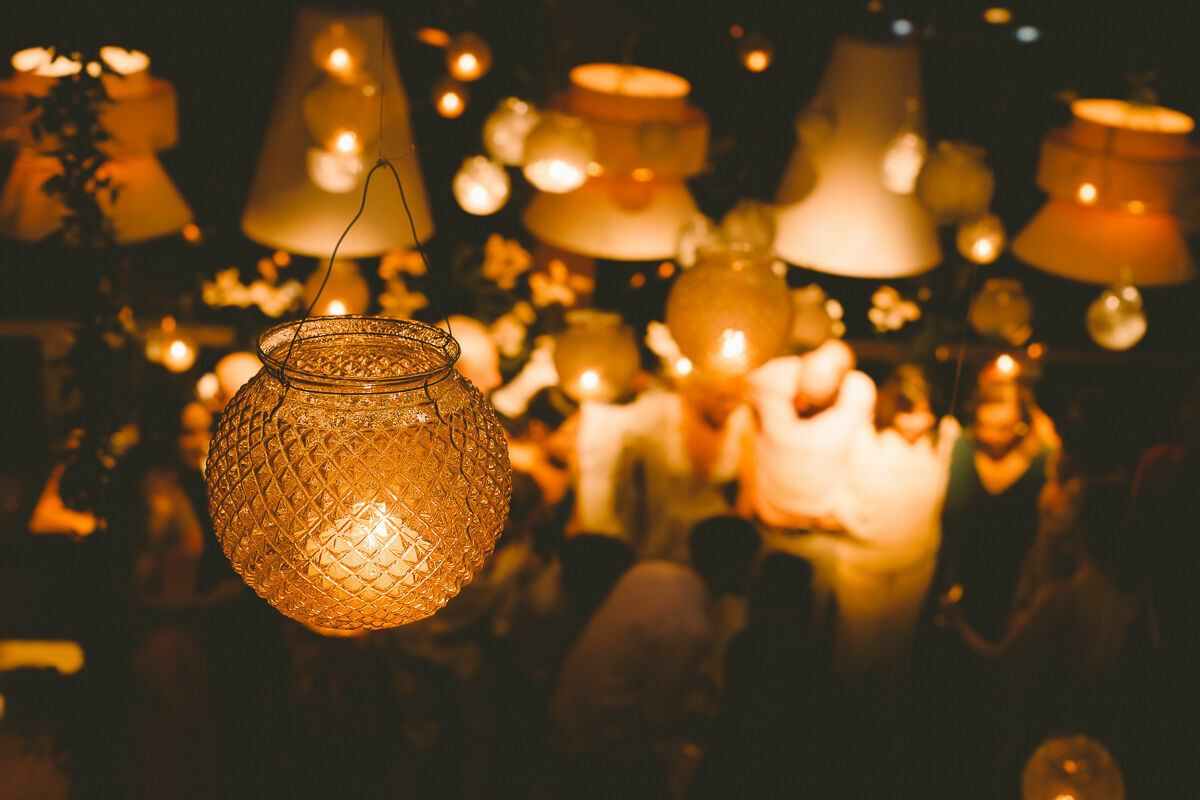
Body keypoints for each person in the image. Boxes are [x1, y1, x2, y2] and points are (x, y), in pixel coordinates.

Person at [940, 482, 1157, 778]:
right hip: (1106, 730)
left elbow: (1000, 659)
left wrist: (956, 621)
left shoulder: (1063, 597)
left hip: (1049, 725)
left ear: (1082, 528)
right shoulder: (1137, 598)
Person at [549, 517, 760, 799]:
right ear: (735, 567)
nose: (755, 573)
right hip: (597, 750)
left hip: (564, 718)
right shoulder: (691, 627)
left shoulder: (648, 573)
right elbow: (656, 716)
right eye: (753, 563)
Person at [829, 365, 959, 690]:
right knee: (854, 650)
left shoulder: (942, 438)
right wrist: (854, 521)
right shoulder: (863, 436)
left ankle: (886, 720)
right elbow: (836, 484)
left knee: (897, 652)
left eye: (925, 413)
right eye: (909, 413)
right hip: (861, 563)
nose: (918, 422)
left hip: (915, 563)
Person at [687, 553, 839, 799]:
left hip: (736, 761)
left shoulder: (744, 645)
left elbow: (734, 708)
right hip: (767, 764)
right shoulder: (803, 657)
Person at [940, 378, 1054, 640]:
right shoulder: (962, 448)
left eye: (1004, 428)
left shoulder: (1042, 460)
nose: (992, 437)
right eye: (984, 426)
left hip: (1016, 589)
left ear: (1022, 424)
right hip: (961, 586)